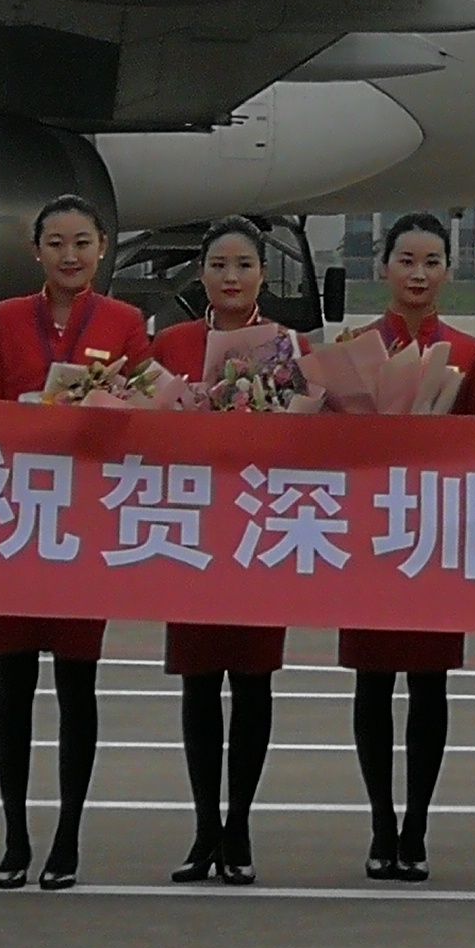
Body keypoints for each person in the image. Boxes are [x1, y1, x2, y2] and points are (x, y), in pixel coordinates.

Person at [0, 193, 148, 891]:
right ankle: (14, 836)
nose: (69, 256)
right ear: (36, 251)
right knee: (12, 685)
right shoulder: (4, 321)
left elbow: (143, 414)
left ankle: (67, 836)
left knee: (78, 685)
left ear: (103, 248)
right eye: (56, 244)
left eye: (82, 243)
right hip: (16, 518)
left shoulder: (127, 322)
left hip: (86, 525)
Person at [150, 219, 299, 888]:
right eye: (218, 265)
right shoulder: (173, 341)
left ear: (262, 274)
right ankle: (203, 825)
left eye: (243, 265)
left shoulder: (286, 346)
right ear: (201, 273)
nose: (230, 277)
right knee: (199, 680)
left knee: (254, 679)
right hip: (193, 529)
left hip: (259, 530)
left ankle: (239, 826)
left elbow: (307, 441)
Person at [344, 213, 475, 882]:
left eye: (433, 261)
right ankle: (380, 823)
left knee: (430, 686)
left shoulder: (468, 352)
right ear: (384, 267)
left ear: (448, 271)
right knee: (374, 684)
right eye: (407, 259)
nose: (419, 273)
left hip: (437, 535)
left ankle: (417, 826)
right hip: (373, 539)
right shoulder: (354, 346)